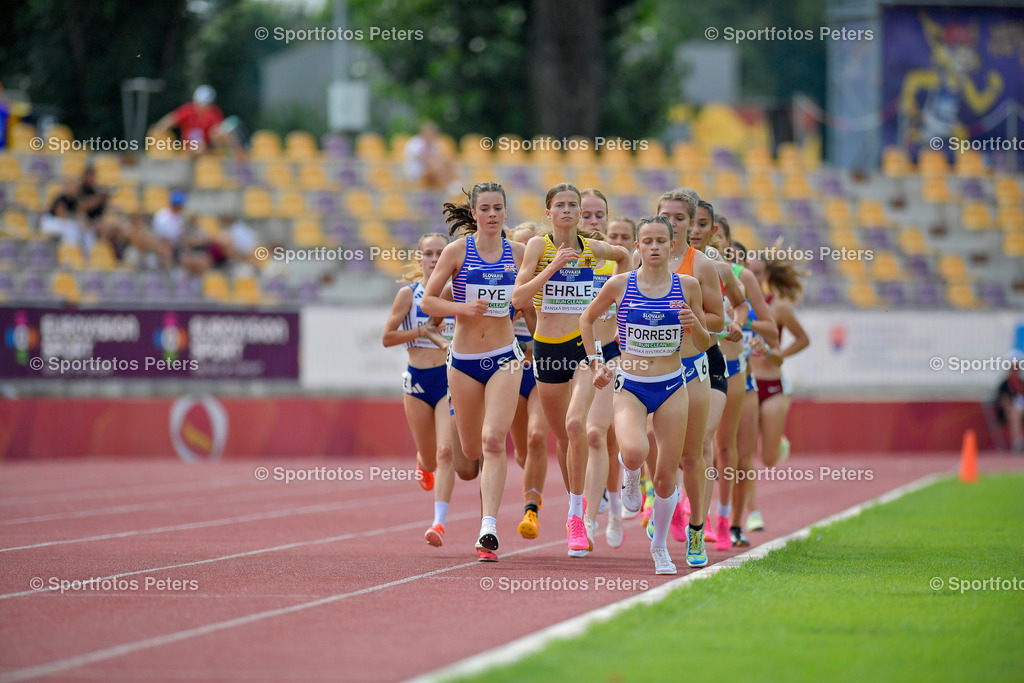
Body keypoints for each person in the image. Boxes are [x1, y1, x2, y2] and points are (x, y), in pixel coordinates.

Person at [581, 215, 710, 573]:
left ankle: (660, 547)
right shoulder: (621, 284)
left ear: (672, 246)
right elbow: (587, 320)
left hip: (672, 386)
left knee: (668, 477)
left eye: (660, 242)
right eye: (647, 241)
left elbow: (705, 343)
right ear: (637, 246)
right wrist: (595, 363)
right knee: (635, 451)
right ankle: (631, 474)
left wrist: (693, 324)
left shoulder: (688, 286)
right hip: (631, 384)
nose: (654, 248)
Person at [511, 183, 630, 558]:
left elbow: (625, 257)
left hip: (584, 349)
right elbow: (517, 298)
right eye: (559, 205)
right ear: (548, 213)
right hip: (547, 350)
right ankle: (574, 507)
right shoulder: (537, 246)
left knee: (578, 425)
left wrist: (616, 308)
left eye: (573, 205)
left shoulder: (593, 249)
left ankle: (577, 518)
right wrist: (554, 267)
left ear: (580, 213)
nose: (567, 210)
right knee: (563, 438)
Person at [422, 182, 525, 561]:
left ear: (505, 212)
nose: (493, 214)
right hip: (463, 362)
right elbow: (430, 300)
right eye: (486, 208)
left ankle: (488, 528)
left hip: (504, 356)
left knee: (494, 440)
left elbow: (531, 298)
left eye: (499, 207)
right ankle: (460, 469)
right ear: (475, 213)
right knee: (468, 456)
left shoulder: (518, 252)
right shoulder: (457, 252)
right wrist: (462, 309)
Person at [382, 233, 457, 547]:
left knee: (445, 452)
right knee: (429, 459)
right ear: (420, 259)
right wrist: (421, 330)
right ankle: (422, 463)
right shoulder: (407, 296)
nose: (435, 258)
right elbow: (387, 337)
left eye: (441, 253)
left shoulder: (457, 292)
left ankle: (438, 523)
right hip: (416, 381)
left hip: (449, 379)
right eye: (429, 253)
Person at [745, 249, 810, 532]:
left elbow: (803, 339)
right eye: (748, 271)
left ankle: (777, 441)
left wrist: (776, 353)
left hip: (772, 385)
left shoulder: (778, 307)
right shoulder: (734, 305)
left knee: (768, 458)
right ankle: (752, 511)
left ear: (767, 276)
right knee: (743, 453)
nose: (752, 277)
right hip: (744, 384)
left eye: (758, 273)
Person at [507, 223, 548, 540]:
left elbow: (541, 332)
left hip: (541, 368)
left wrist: (527, 306)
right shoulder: (500, 285)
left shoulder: (546, 283)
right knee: (522, 453)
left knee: (537, 438)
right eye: (516, 249)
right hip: (509, 371)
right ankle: (531, 489)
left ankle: (530, 510)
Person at [150, 85, 243, 157]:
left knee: (225, 132)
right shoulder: (188, 110)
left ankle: (238, 158)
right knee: (199, 145)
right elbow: (171, 119)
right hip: (189, 148)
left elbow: (218, 131)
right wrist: (159, 127)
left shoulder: (213, 113)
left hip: (207, 147)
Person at [403, 120, 459, 193]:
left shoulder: (433, 145)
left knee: (447, 163)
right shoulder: (414, 143)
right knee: (439, 165)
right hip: (416, 173)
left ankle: (454, 183)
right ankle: (449, 186)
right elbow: (425, 160)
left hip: (429, 172)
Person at [995, 353, 1024, 453]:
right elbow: (1003, 402)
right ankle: (1017, 444)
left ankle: (1018, 443)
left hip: (1021, 412)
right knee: (1014, 416)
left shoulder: (1021, 383)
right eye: (1013, 369)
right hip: (1009, 413)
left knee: (1016, 414)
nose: (1016, 371)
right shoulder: (1004, 385)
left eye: (1017, 369)